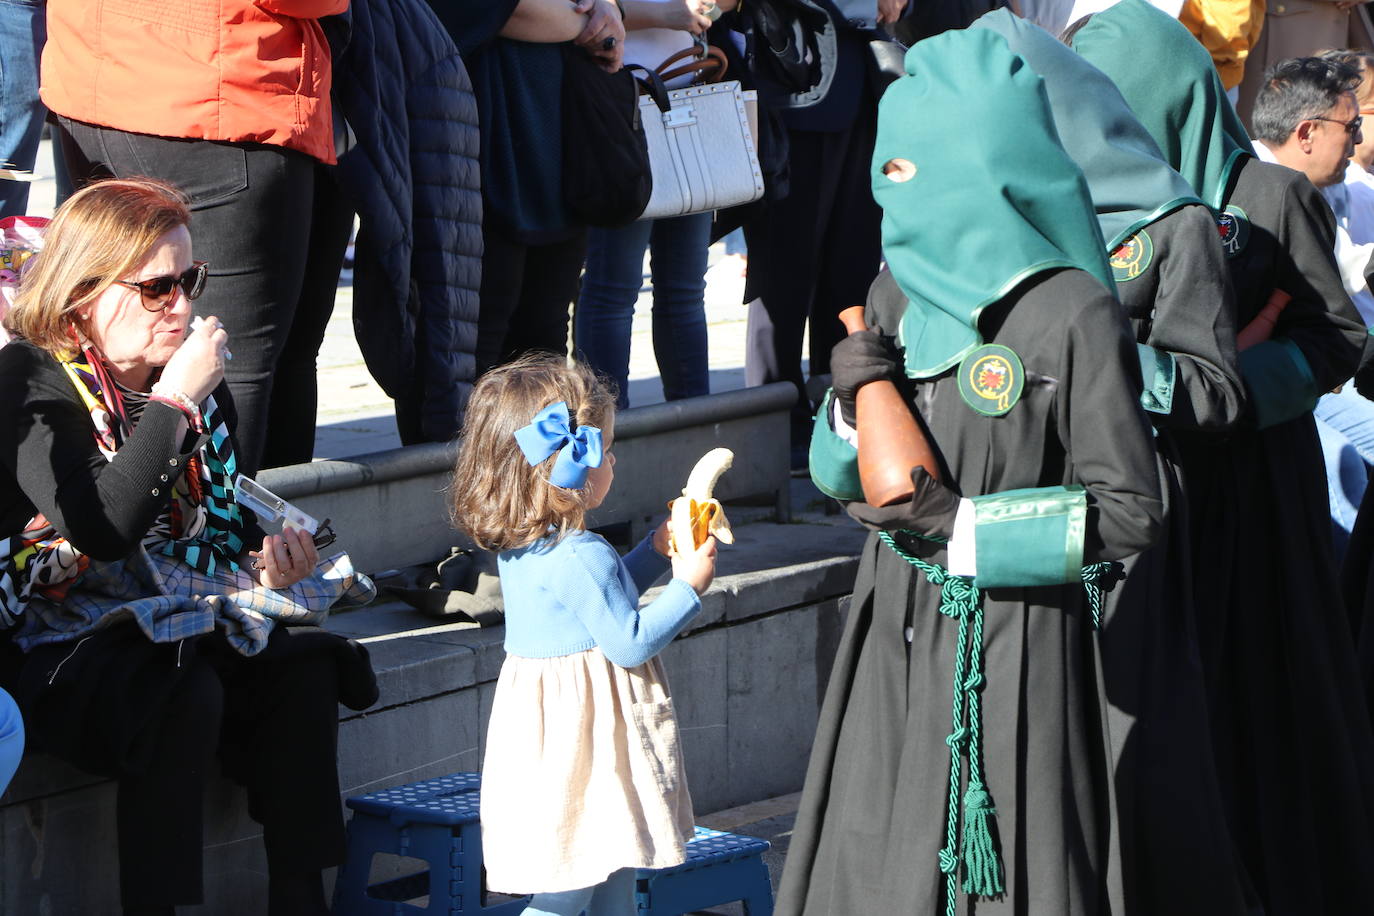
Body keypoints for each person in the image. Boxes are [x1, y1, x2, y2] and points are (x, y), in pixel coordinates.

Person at [778, 29, 1164, 914]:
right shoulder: (893, 292)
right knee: (877, 849)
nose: (891, 188)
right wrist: (846, 404)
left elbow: (1134, 509)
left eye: (911, 167)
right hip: (891, 622)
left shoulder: (1075, 312)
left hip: (1016, 638)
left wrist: (968, 531)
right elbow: (843, 476)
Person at [0, 179, 377, 916]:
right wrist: (173, 400)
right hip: (56, 637)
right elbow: (102, 529)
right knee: (178, 685)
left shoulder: (197, 384)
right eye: (155, 287)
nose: (180, 304)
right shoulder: (30, 378)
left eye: (188, 281)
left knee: (302, 668)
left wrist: (267, 562)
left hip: (169, 612)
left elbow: (223, 533)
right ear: (83, 291)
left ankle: (302, 901)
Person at [1072, 4, 1374, 911]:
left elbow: (1335, 340)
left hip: (1252, 494)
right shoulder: (1083, 195)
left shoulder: (1265, 195)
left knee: (1254, 693)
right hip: (1146, 490)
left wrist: (1231, 382)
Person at [973, 11, 1254, 911]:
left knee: (1138, 751)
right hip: (1024, 523)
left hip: (1128, 521)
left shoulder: (1175, 225)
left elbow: (1215, 391)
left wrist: (1109, 364)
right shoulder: (988, 224)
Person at [450, 353, 717, 914]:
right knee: (570, 888)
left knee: (605, 866)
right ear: (569, 465)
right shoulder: (583, 554)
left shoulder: (526, 546)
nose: (613, 460)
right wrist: (690, 585)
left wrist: (656, 551)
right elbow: (629, 640)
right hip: (591, 744)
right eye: (605, 449)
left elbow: (597, 602)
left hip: (550, 737)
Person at [41, 0, 354, 474]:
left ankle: (175, 534)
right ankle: (233, 543)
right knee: (229, 357)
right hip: (219, 88)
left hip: (105, 70)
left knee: (130, 340)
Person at [428, 0, 625, 377]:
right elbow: (506, 11)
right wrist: (591, 20)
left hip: (557, 166)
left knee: (544, 353)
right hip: (475, 170)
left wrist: (607, 6)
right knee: (470, 357)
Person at [574, 0, 733, 411]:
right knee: (615, 286)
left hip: (686, 97)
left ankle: (695, 427)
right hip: (622, 97)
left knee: (684, 287)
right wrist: (671, 14)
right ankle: (606, 434)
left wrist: (709, 6)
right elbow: (584, 12)